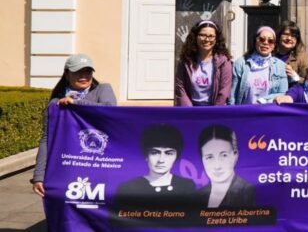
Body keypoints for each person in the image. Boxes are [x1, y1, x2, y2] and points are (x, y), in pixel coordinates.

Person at [32, 54, 117, 197]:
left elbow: (109, 110)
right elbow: (46, 139)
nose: (84, 76)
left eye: (88, 72)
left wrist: (76, 103)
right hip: (68, 165)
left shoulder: (103, 89)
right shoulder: (55, 104)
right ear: (67, 74)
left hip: (98, 162)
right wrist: (38, 176)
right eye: (78, 72)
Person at [114, 124, 196, 208]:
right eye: (154, 152)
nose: (161, 160)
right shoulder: (128, 188)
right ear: (146, 156)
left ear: (176, 157)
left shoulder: (186, 186)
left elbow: (192, 219)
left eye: (169, 153)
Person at [174, 20, 232, 106]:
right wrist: (190, 112)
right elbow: (180, 88)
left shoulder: (224, 62)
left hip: (214, 111)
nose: (207, 39)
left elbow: (224, 91)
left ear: (216, 39)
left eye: (211, 36)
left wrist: (214, 113)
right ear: (195, 37)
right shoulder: (185, 60)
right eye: (202, 35)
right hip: (190, 109)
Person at [197, 124, 255, 209]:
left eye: (224, 155)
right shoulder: (199, 195)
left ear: (235, 155)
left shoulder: (248, 192)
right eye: (209, 157)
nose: (217, 166)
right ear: (202, 159)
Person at [229, 26, 289, 105]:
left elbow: (283, 93)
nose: (266, 43)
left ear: (274, 45)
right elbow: (233, 95)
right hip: (244, 113)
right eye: (262, 39)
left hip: (268, 114)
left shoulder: (280, 66)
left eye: (270, 41)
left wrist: (263, 100)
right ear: (255, 41)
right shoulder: (241, 63)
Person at [274, 20, 308, 87]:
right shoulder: (270, 54)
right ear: (279, 36)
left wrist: (295, 77)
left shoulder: (301, 57)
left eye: (293, 36)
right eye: (286, 34)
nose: (289, 38)